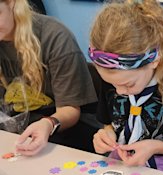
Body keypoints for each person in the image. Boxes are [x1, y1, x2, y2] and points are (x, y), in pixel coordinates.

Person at [89, 0, 163, 175]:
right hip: (119, 161)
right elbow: (109, 125)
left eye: (128, 84)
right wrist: (104, 135)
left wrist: (155, 147)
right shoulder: (113, 80)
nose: (119, 91)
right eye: (113, 84)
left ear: (154, 60)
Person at [0, 0, 98, 155]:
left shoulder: (54, 36)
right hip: (15, 130)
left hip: (63, 129)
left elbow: (70, 110)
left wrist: (48, 124)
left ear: (11, 3)